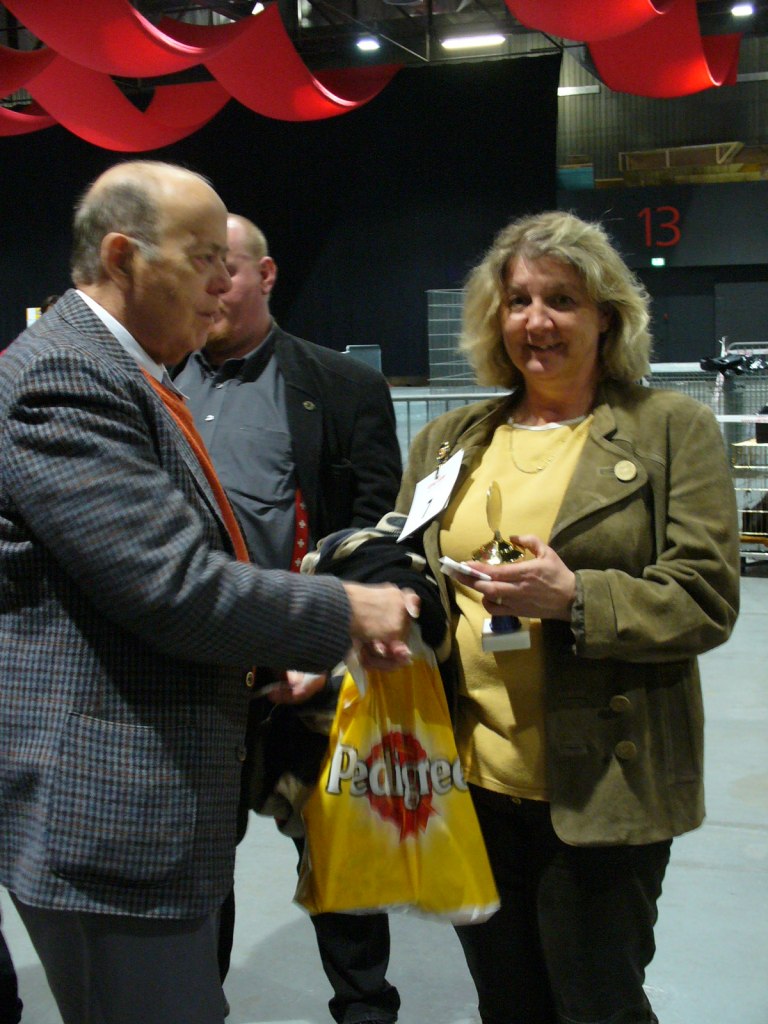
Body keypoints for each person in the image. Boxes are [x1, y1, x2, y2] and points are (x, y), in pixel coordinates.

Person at [0, 160, 416, 1024]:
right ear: (123, 257)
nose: (223, 283)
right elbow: (172, 586)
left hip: (153, 795)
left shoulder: (124, 368)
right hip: (107, 813)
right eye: (202, 260)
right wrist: (346, 611)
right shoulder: (66, 376)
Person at [394, 210, 741, 1024]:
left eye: (562, 300)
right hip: (472, 782)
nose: (536, 321)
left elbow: (705, 595)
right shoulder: (449, 441)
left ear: (607, 316)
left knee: (598, 1004)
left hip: (602, 787)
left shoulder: (670, 429)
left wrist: (575, 598)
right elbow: (407, 566)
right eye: (518, 300)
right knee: (507, 1003)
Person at [174, 213, 403, 1024]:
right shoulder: (147, 382)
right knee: (199, 876)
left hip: (309, 677)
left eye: (225, 269)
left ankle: (366, 1010)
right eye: (195, 270)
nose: (209, 289)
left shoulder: (342, 388)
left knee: (342, 874)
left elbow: (375, 534)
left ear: (266, 275)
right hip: (192, 682)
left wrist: (334, 647)